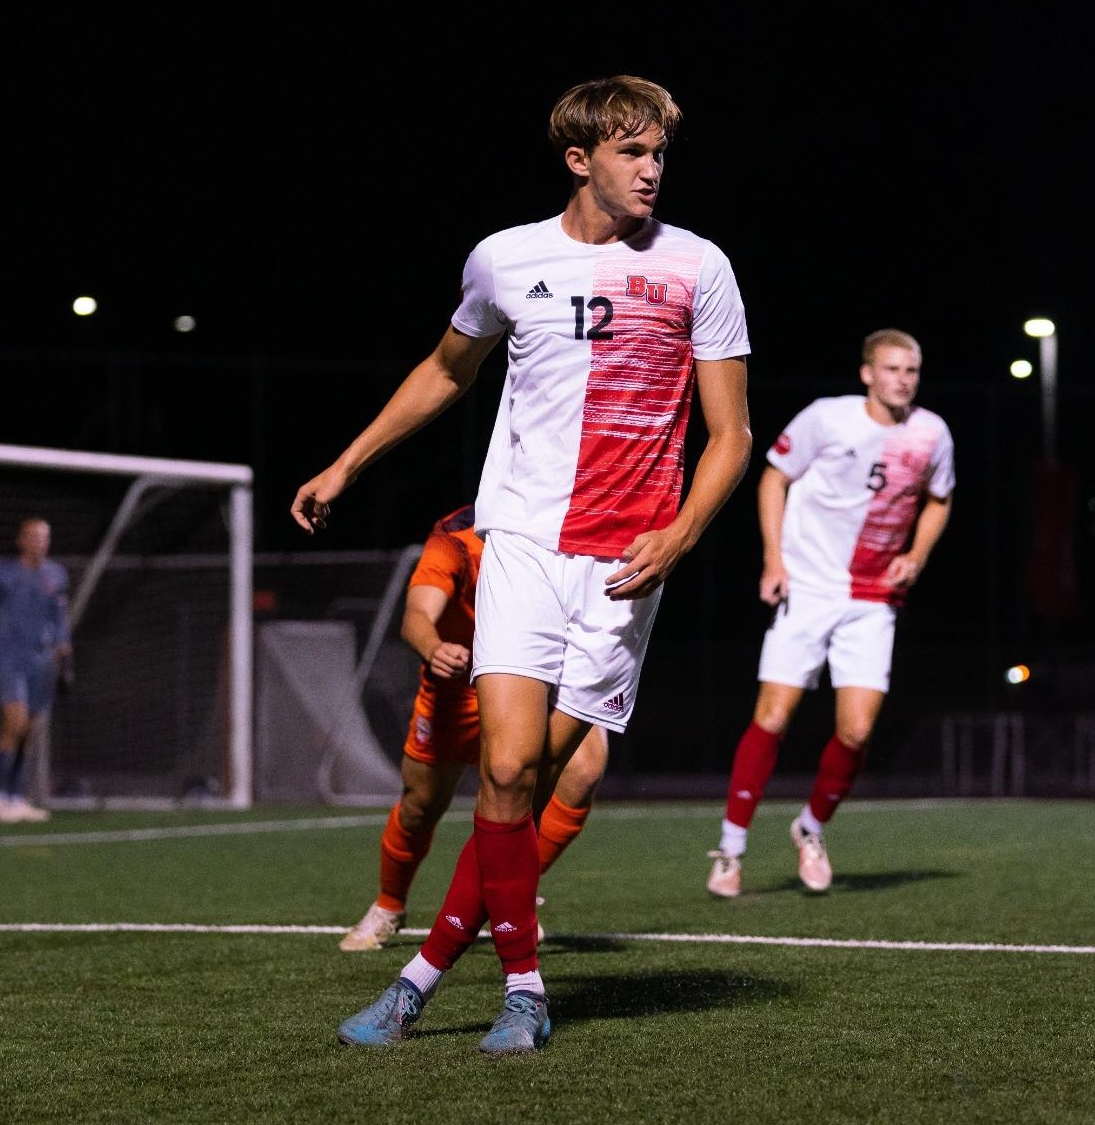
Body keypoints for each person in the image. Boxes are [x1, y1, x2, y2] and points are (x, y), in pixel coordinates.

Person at [292, 74, 752, 1057]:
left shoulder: (699, 268)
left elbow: (731, 436)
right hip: (522, 547)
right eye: (632, 152)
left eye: (660, 152)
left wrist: (680, 535)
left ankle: (417, 979)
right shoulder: (505, 259)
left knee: (544, 774)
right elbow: (445, 372)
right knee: (501, 766)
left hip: (624, 564)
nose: (652, 170)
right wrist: (345, 461)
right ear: (579, 159)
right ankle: (523, 990)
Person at [705, 328, 953, 897]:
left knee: (858, 730)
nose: (902, 380)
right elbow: (773, 477)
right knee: (772, 717)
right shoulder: (827, 417)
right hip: (810, 587)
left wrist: (916, 555)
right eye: (891, 369)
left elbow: (939, 499)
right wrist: (774, 559)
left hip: (872, 601)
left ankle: (810, 829)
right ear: (867, 373)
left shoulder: (932, 432)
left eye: (910, 371)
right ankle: (731, 848)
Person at [339, 503, 610, 953]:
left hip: (530, 680)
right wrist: (434, 647)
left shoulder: (566, 522)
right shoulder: (457, 539)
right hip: (458, 687)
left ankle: (507, 894)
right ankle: (389, 905)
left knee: (582, 770)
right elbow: (416, 616)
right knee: (420, 806)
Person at [0, 516, 74, 824]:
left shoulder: (57, 575)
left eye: (45, 537)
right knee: (15, 721)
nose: (41, 542)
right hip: (11, 658)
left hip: (43, 661)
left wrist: (66, 661)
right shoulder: (4, 573)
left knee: (30, 729)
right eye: (35, 537)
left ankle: (17, 796)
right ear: (21, 540)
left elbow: (60, 619)